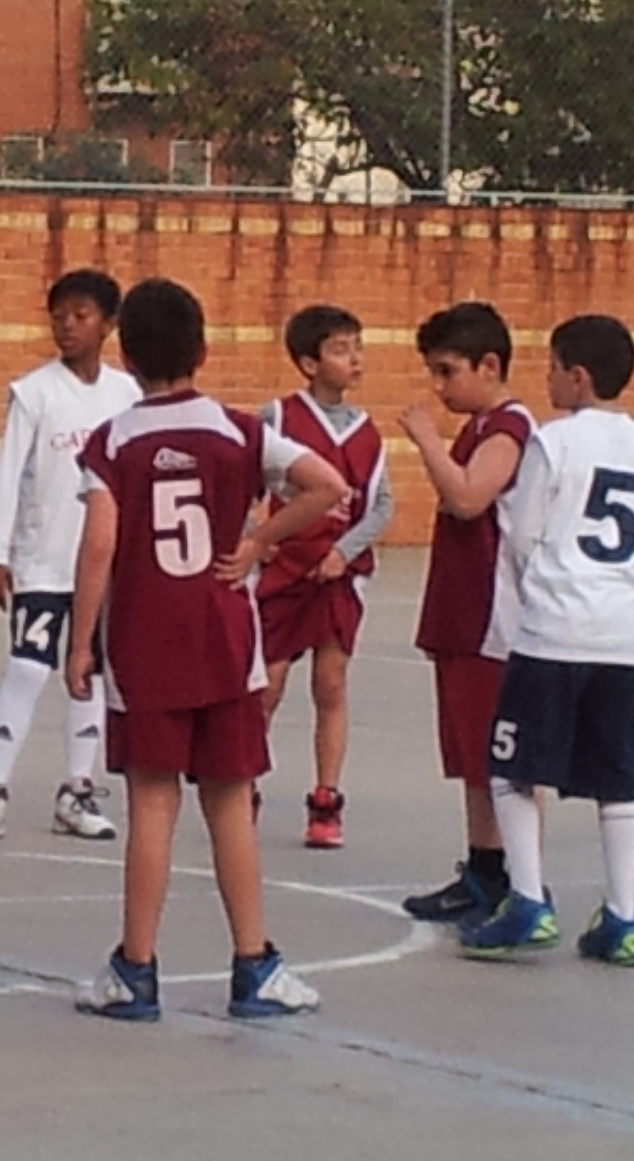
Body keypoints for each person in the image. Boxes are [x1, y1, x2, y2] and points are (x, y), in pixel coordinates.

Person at [63, 278, 348, 1025]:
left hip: (144, 644)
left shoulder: (113, 440)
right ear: (204, 350)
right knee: (229, 802)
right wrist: (258, 540)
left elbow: (99, 545)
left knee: (151, 804)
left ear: (126, 356)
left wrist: (80, 642)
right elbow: (328, 485)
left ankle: (136, 970)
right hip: (225, 642)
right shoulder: (239, 431)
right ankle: (255, 966)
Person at [465, 313, 634, 968]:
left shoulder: (555, 442)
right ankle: (624, 917)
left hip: (553, 632)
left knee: (511, 767)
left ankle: (527, 901)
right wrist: (633, 574)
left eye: (551, 367)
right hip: (618, 637)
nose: (545, 379)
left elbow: (521, 534)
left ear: (578, 377)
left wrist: (548, 582)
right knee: (617, 778)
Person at [0, 269, 140, 845]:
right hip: (42, 560)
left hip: (102, 567)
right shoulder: (34, 392)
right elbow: (7, 472)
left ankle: (77, 789)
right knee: (28, 667)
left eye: (81, 316)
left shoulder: (126, 395)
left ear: (108, 325)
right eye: (59, 316)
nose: (67, 326)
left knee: (89, 673)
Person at [392, 302, 535, 925]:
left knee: (498, 755)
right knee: (471, 756)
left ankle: (520, 878)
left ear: (489, 365)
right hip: (462, 612)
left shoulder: (508, 428)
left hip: (492, 620)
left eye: (447, 371)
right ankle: (484, 868)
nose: (439, 386)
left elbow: (470, 497)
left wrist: (426, 441)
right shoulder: (480, 426)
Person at [254, 303, 394, 850]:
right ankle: (244, 783)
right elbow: (242, 481)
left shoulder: (367, 431)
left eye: (358, 347)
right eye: (340, 349)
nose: (354, 358)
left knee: (330, 683)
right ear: (309, 363)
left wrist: (343, 550)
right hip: (286, 567)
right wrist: (254, 537)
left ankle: (326, 797)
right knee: (267, 685)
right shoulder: (278, 417)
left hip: (338, 571)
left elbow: (380, 505)